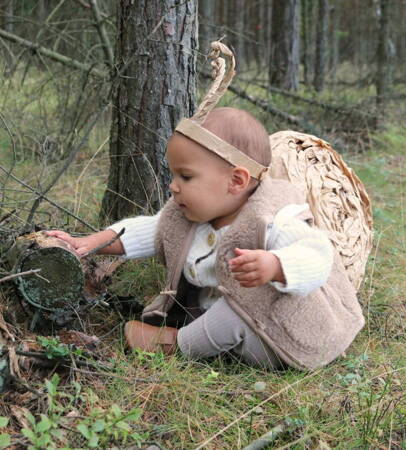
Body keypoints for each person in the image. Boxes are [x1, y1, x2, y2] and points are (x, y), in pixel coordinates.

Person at [48, 107, 364, 370]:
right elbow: (150, 230)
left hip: (280, 336)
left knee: (231, 312)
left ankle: (171, 345)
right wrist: (91, 242)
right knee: (218, 311)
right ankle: (205, 342)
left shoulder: (271, 219)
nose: (173, 186)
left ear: (236, 181)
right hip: (234, 329)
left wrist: (277, 265)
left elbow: (317, 254)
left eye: (186, 176)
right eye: (173, 175)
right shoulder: (191, 215)